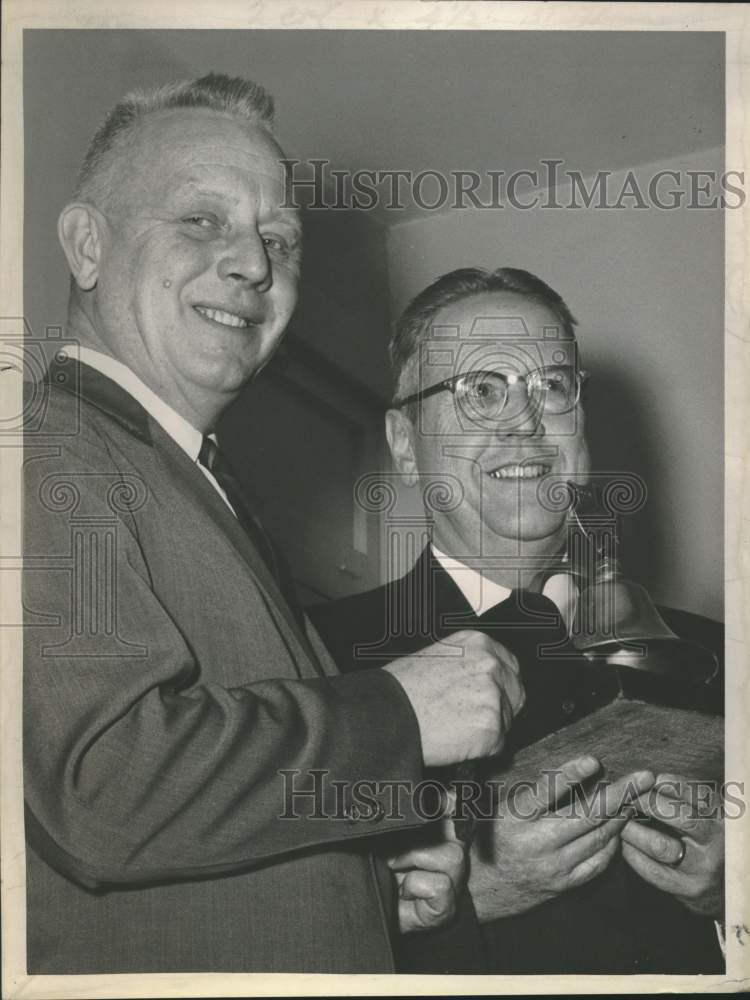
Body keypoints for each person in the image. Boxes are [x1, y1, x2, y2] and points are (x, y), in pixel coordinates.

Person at [22, 76, 527, 974]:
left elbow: (183, 818)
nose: (255, 264)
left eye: (279, 239)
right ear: (88, 245)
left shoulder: (185, 477)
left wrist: (361, 882)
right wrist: (400, 712)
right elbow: (101, 783)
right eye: (201, 220)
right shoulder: (48, 448)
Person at [309, 266, 725, 974]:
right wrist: (463, 900)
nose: (525, 421)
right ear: (405, 445)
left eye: (552, 386)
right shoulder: (313, 659)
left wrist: (735, 899)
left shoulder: (719, 658)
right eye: (480, 391)